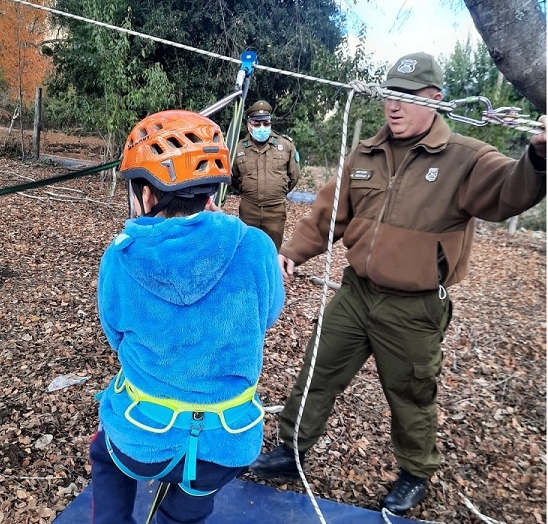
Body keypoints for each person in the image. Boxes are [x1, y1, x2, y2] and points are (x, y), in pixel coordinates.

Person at [249, 52, 547, 515]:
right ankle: (292, 451)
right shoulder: (366, 153)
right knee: (317, 371)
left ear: (435, 100)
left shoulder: (466, 158)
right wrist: (291, 253)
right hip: (356, 293)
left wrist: (539, 154)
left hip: (414, 307)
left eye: (406, 97)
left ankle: (414, 472)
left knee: (410, 393)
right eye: (389, 95)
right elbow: (329, 213)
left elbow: (512, 192)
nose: (394, 106)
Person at [90, 110, 285, 524]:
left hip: (143, 439)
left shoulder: (122, 255)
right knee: (197, 490)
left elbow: (116, 335)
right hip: (226, 442)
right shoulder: (256, 246)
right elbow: (267, 317)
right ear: (212, 194)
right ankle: (180, 513)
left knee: (104, 452)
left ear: (146, 196)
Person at [232, 100, 301, 250]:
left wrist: (276, 192)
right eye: (257, 124)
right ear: (249, 125)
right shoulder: (238, 149)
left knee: (272, 251)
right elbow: (233, 178)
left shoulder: (285, 146)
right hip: (249, 209)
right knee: (247, 250)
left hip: (275, 211)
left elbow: (294, 176)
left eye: (266, 123)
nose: (262, 128)